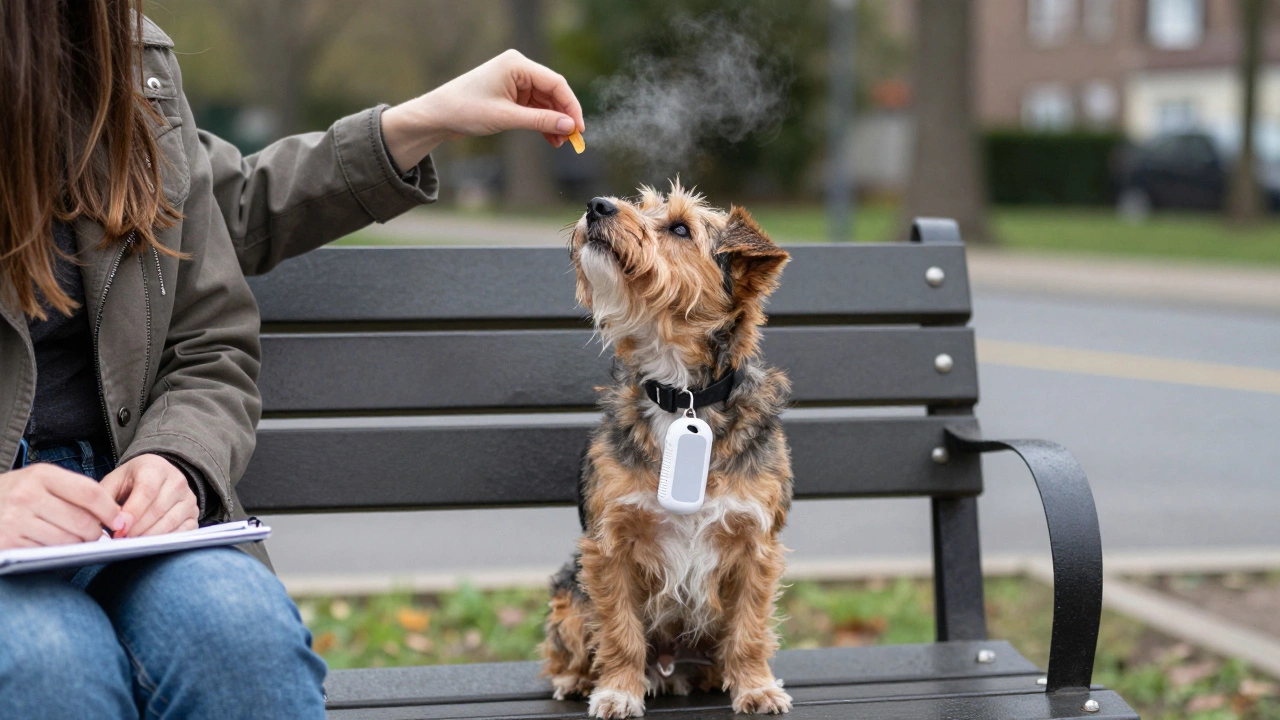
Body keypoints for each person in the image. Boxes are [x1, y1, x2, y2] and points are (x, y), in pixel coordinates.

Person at [0, 2, 584, 718]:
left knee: (242, 643)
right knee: (50, 666)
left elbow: (215, 230)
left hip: (124, 503)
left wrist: (177, 459)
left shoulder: (123, 57)